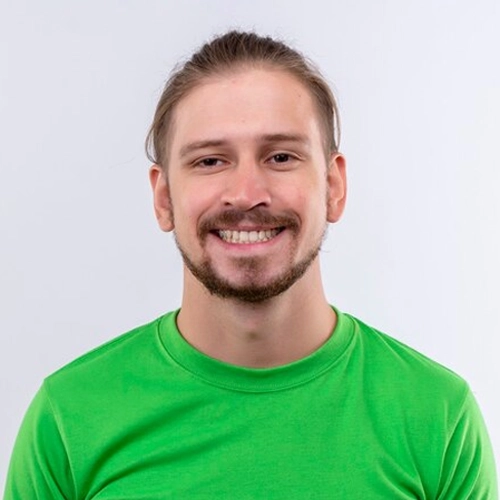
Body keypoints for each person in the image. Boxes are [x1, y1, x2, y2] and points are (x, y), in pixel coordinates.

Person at [4, 30, 497, 499]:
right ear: (163, 197)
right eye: (210, 161)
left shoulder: (439, 418)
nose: (246, 194)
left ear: (333, 187)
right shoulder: (69, 418)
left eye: (280, 157)